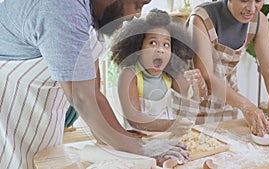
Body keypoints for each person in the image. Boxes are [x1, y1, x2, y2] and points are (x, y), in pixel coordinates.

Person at [0, 0, 190, 168]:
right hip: (10, 111)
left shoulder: (91, 16)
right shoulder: (62, 7)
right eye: (137, 4)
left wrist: (123, 140)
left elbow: (94, 93)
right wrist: (142, 150)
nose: (137, 14)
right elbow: (82, 98)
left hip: (41, 115)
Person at [186, 0, 269, 137]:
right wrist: (247, 106)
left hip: (227, 101)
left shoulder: (259, 21)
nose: (251, 8)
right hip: (192, 102)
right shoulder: (201, 18)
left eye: (258, 1)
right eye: (244, 0)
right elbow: (207, 76)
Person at [110, 8, 207, 136]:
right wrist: (171, 124)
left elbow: (194, 97)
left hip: (165, 139)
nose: (160, 49)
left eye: (166, 44)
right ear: (138, 48)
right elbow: (134, 118)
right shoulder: (129, 75)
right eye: (153, 42)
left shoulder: (170, 74)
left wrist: (199, 84)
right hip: (138, 141)